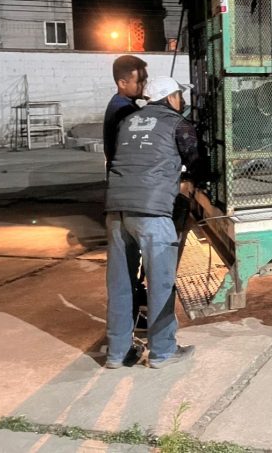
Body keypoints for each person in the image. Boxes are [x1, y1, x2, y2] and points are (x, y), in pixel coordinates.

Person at [104, 75, 204, 369]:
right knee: (159, 284)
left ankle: (117, 352)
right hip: (152, 213)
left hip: (116, 211)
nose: (182, 101)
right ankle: (162, 351)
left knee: (120, 284)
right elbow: (197, 162)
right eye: (179, 96)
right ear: (171, 98)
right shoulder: (178, 124)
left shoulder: (127, 121)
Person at [103, 55, 149, 330]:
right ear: (122, 83)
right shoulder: (124, 113)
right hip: (126, 196)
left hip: (122, 193)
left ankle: (133, 318)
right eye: (139, 80)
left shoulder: (122, 106)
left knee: (129, 263)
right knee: (127, 264)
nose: (144, 84)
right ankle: (128, 324)